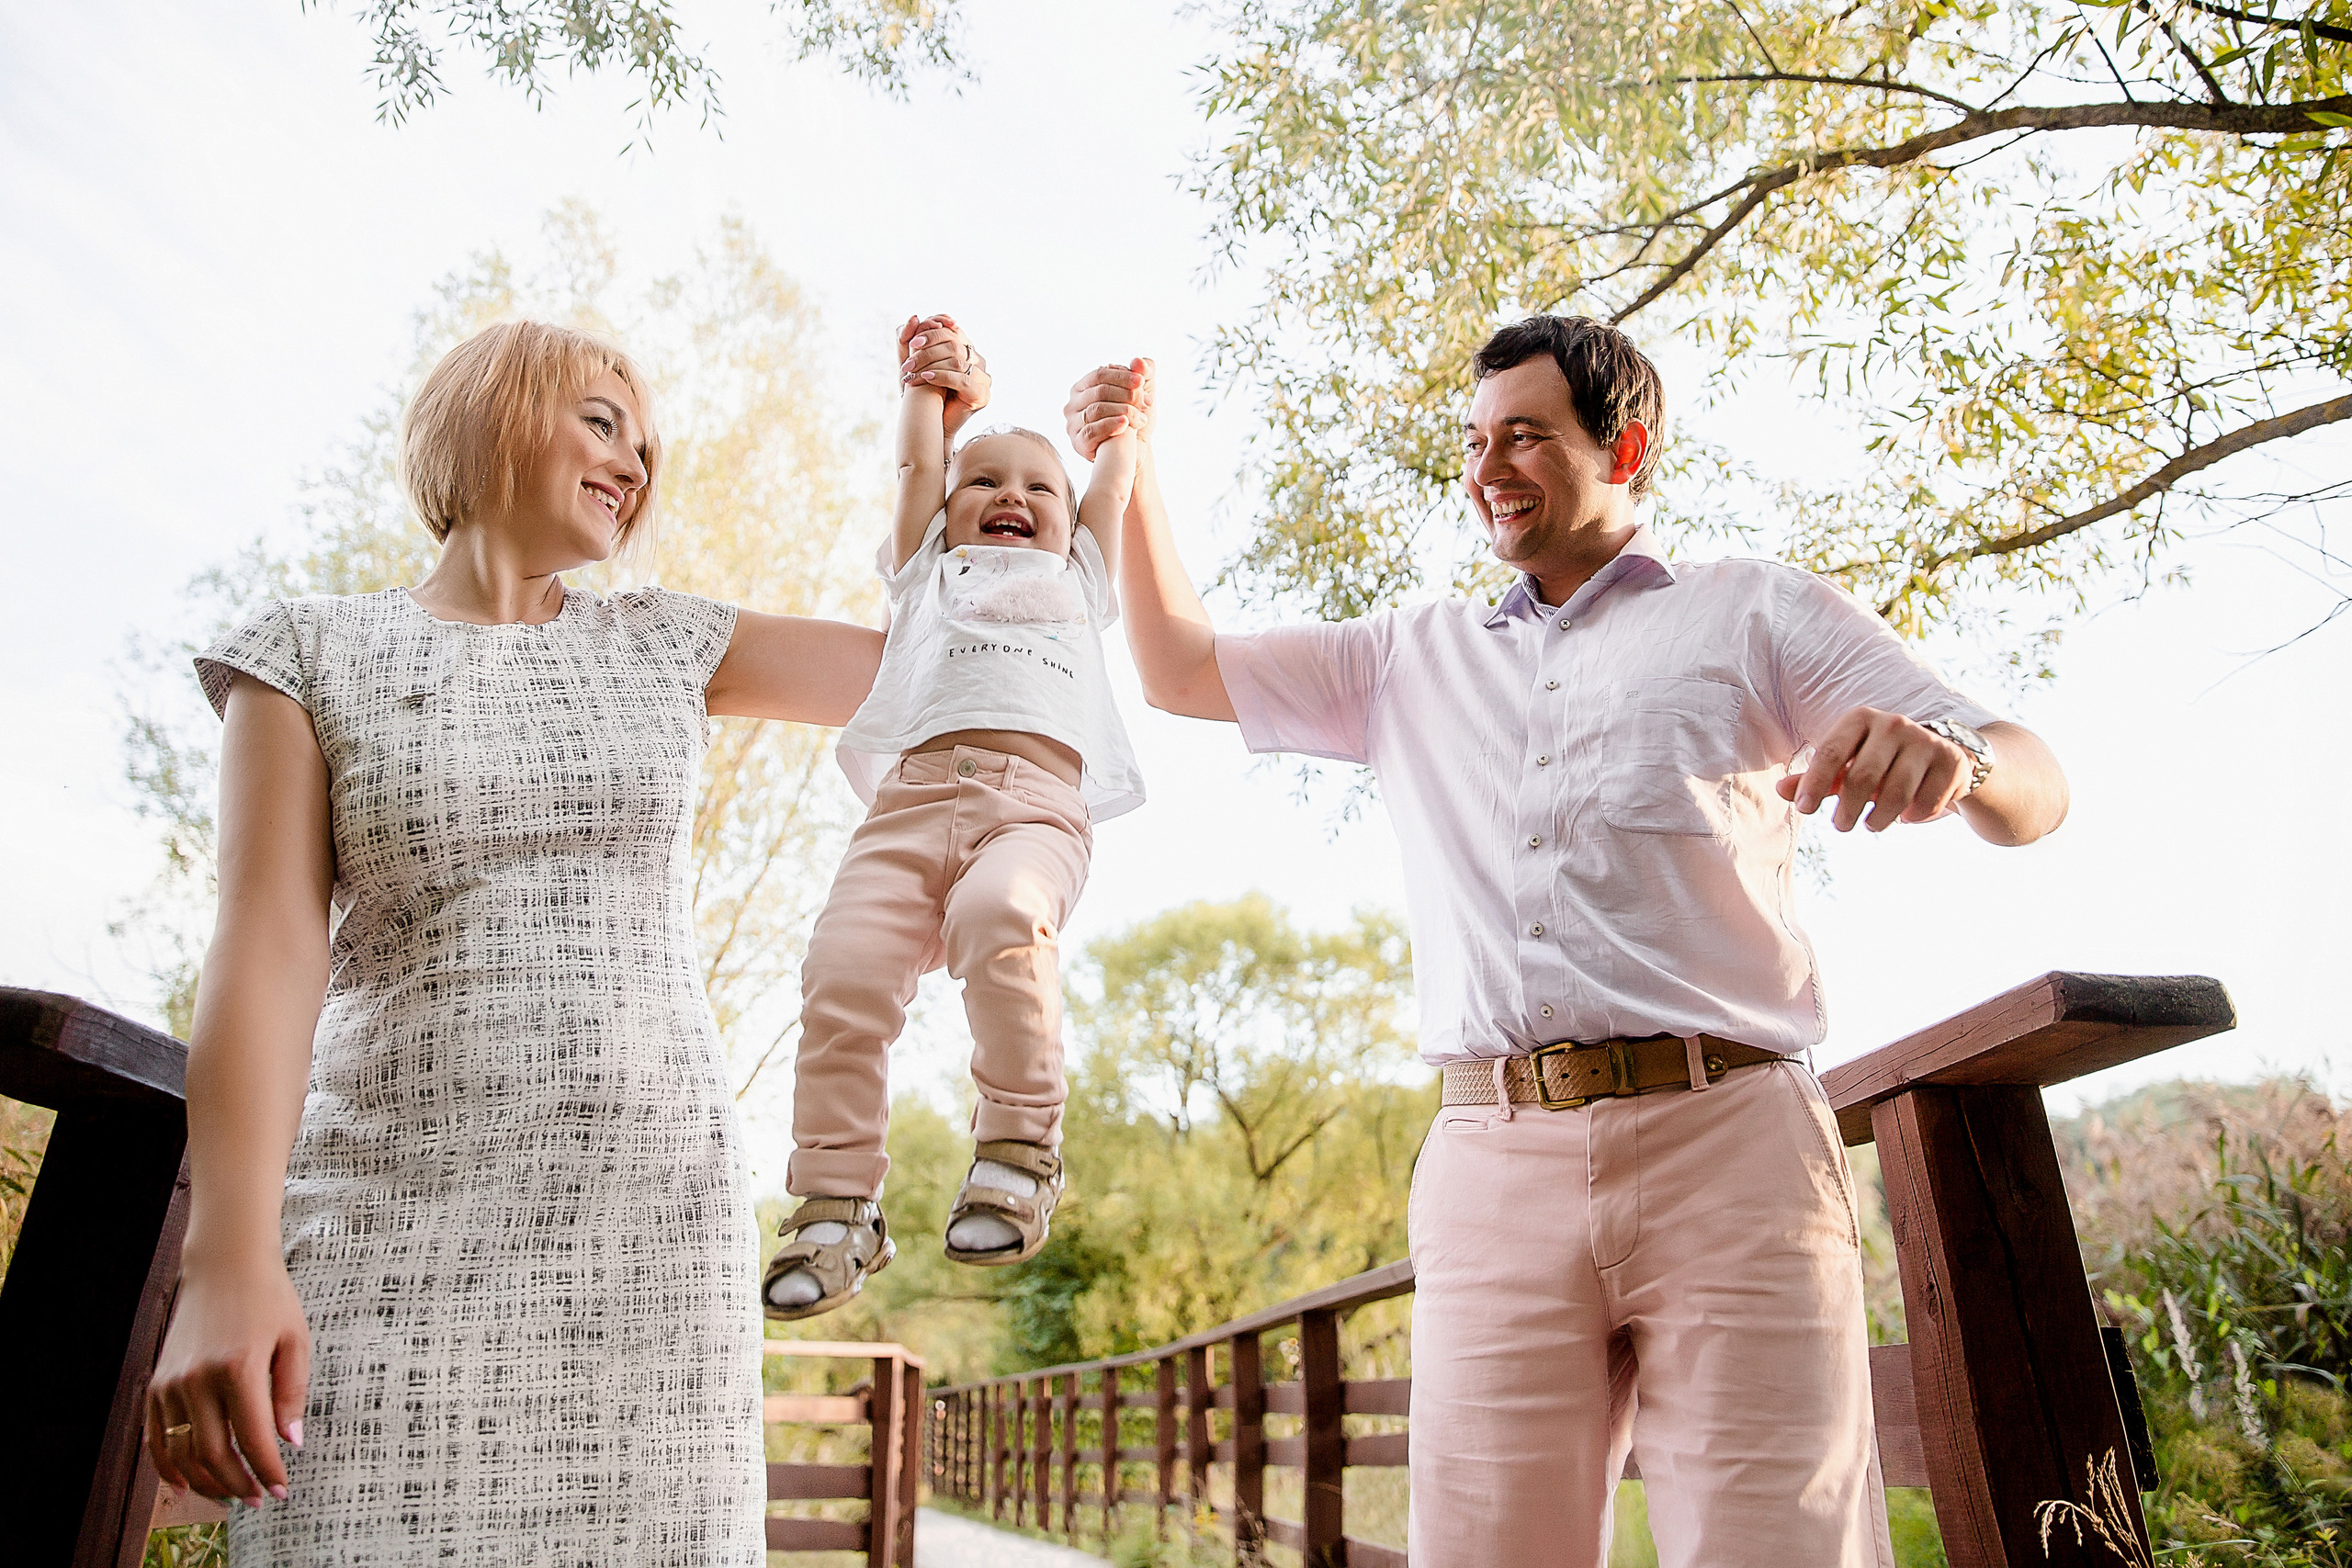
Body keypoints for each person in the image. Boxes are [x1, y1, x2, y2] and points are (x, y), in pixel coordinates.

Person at [1059, 316, 2069, 1567]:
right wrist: (1132, 463)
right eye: (1476, 441)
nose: (1488, 466)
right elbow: (1177, 666)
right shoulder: (1405, 656)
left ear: (1625, 445)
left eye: (1526, 435)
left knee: (1779, 1549)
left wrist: (1959, 761)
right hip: (1493, 1156)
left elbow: (2035, 785)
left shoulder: (1751, 611)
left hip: (1732, 1146)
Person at [142, 315, 986, 1562]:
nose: (634, 462)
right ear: (484, 416)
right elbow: (265, 949)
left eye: (648, 446)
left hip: (656, 1243)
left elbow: (941, 668)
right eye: (602, 420)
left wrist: (930, 441)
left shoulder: (665, 638)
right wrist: (227, 1255)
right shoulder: (308, 653)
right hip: (384, 1233)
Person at [761, 321, 1145, 1320]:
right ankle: (835, 1205)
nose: (1012, 497)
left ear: (1069, 522)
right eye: (984, 483)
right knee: (841, 971)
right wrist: (930, 395)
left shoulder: (1081, 578)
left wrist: (1122, 431)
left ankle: (1018, 1150)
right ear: (945, 512)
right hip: (907, 809)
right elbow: (913, 465)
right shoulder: (924, 569)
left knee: (1003, 916)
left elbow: (1109, 486)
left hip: (1034, 809)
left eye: (1038, 487)